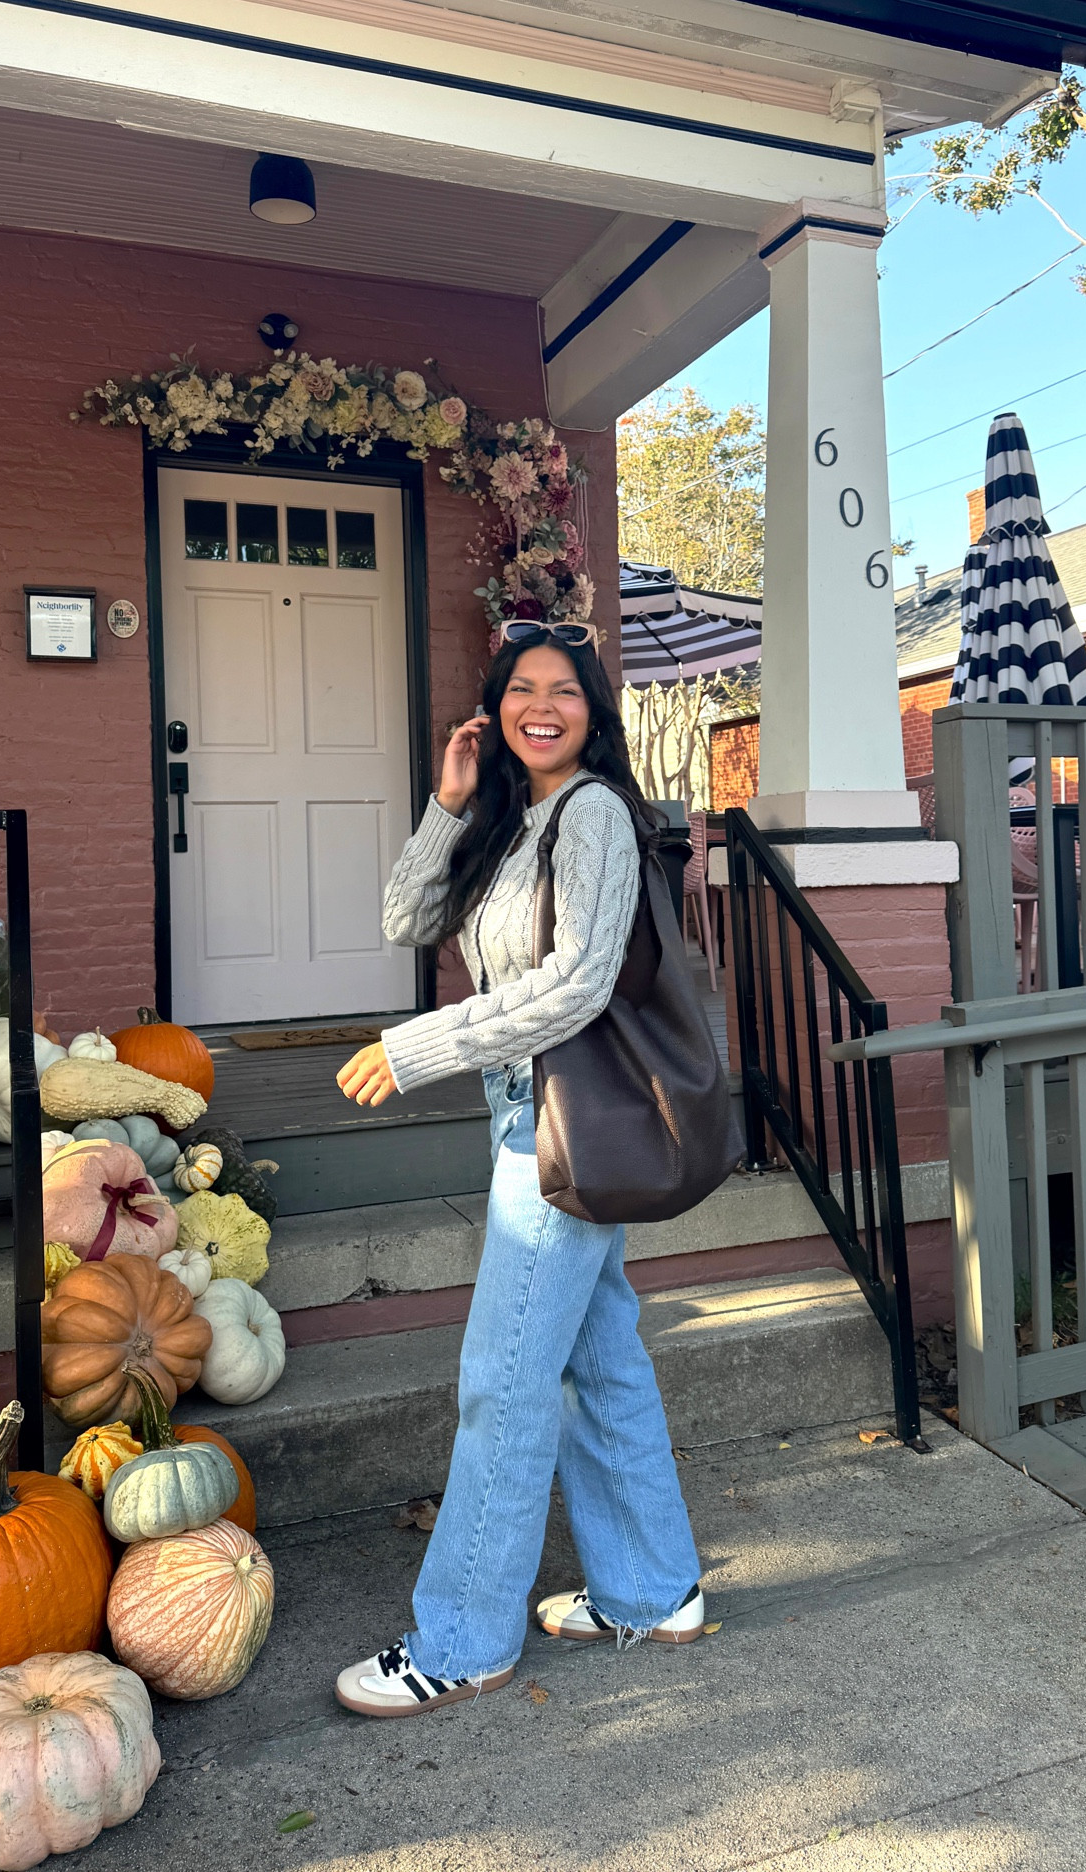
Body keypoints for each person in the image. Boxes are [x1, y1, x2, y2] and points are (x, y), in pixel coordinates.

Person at [332, 619, 704, 1719]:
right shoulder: (515, 820)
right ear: (494, 711)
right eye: (521, 691)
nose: (543, 707)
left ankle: (462, 1638)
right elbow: (407, 916)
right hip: (533, 1110)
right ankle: (655, 1590)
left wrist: (417, 1049)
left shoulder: (592, 814)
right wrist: (449, 802)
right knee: (601, 1358)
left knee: (503, 1378)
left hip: (557, 1127)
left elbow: (579, 982)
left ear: (594, 710)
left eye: (565, 690)